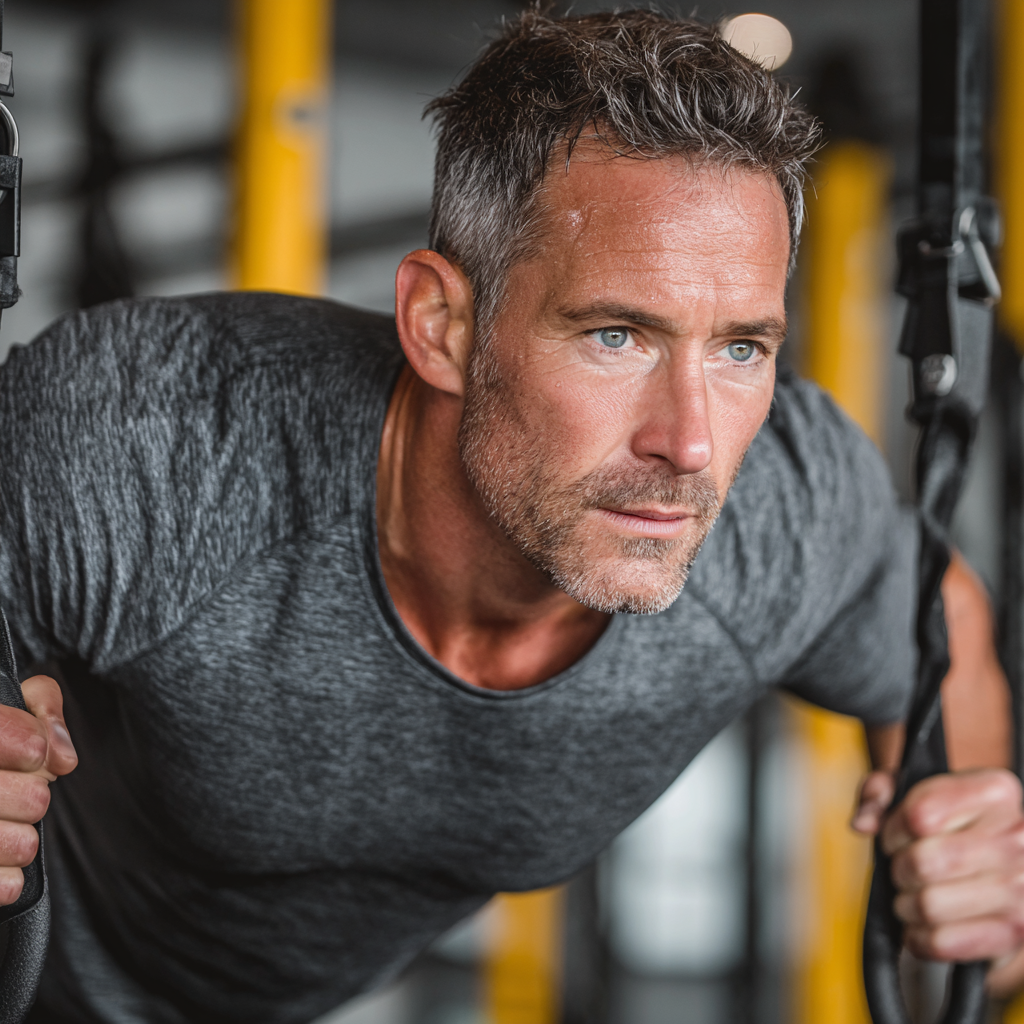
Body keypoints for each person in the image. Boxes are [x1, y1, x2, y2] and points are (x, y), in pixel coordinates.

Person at [0, 9, 1020, 1023]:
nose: (690, 443)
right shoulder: (151, 442)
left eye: (740, 348)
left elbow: (940, 622)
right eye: (616, 336)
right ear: (441, 324)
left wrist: (977, 849)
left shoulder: (782, 514)